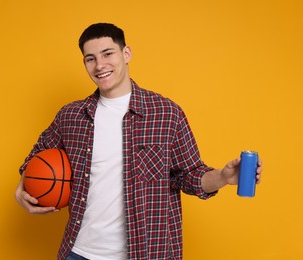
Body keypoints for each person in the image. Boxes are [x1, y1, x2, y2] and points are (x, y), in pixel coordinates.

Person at [15, 23, 262, 260]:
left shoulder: (166, 113)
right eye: (91, 58)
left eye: (107, 53)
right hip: (80, 252)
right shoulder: (71, 116)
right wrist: (22, 187)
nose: (100, 65)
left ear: (126, 53)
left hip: (148, 252)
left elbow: (188, 175)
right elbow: (36, 156)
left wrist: (223, 177)